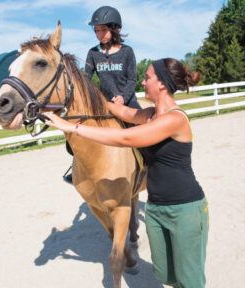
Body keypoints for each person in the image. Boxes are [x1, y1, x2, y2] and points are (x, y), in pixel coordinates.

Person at [44, 58, 207, 288]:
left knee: (189, 280)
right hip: (156, 209)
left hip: (185, 209)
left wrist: (72, 127)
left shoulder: (174, 119)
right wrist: (86, 98)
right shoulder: (151, 114)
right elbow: (121, 111)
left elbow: (125, 138)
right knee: (166, 275)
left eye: (147, 77)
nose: (143, 81)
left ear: (161, 84)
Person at [65, 5, 141, 184]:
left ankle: (150, 165)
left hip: (128, 102)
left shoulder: (127, 52)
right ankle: (77, 168)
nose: (100, 34)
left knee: (141, 132)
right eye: (97, 30)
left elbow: (132, 79)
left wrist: (123, 97)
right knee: (76, 135)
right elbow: (86, 80)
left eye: (103, 30)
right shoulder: (93, 53)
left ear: (115, 29)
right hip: (105, 105)